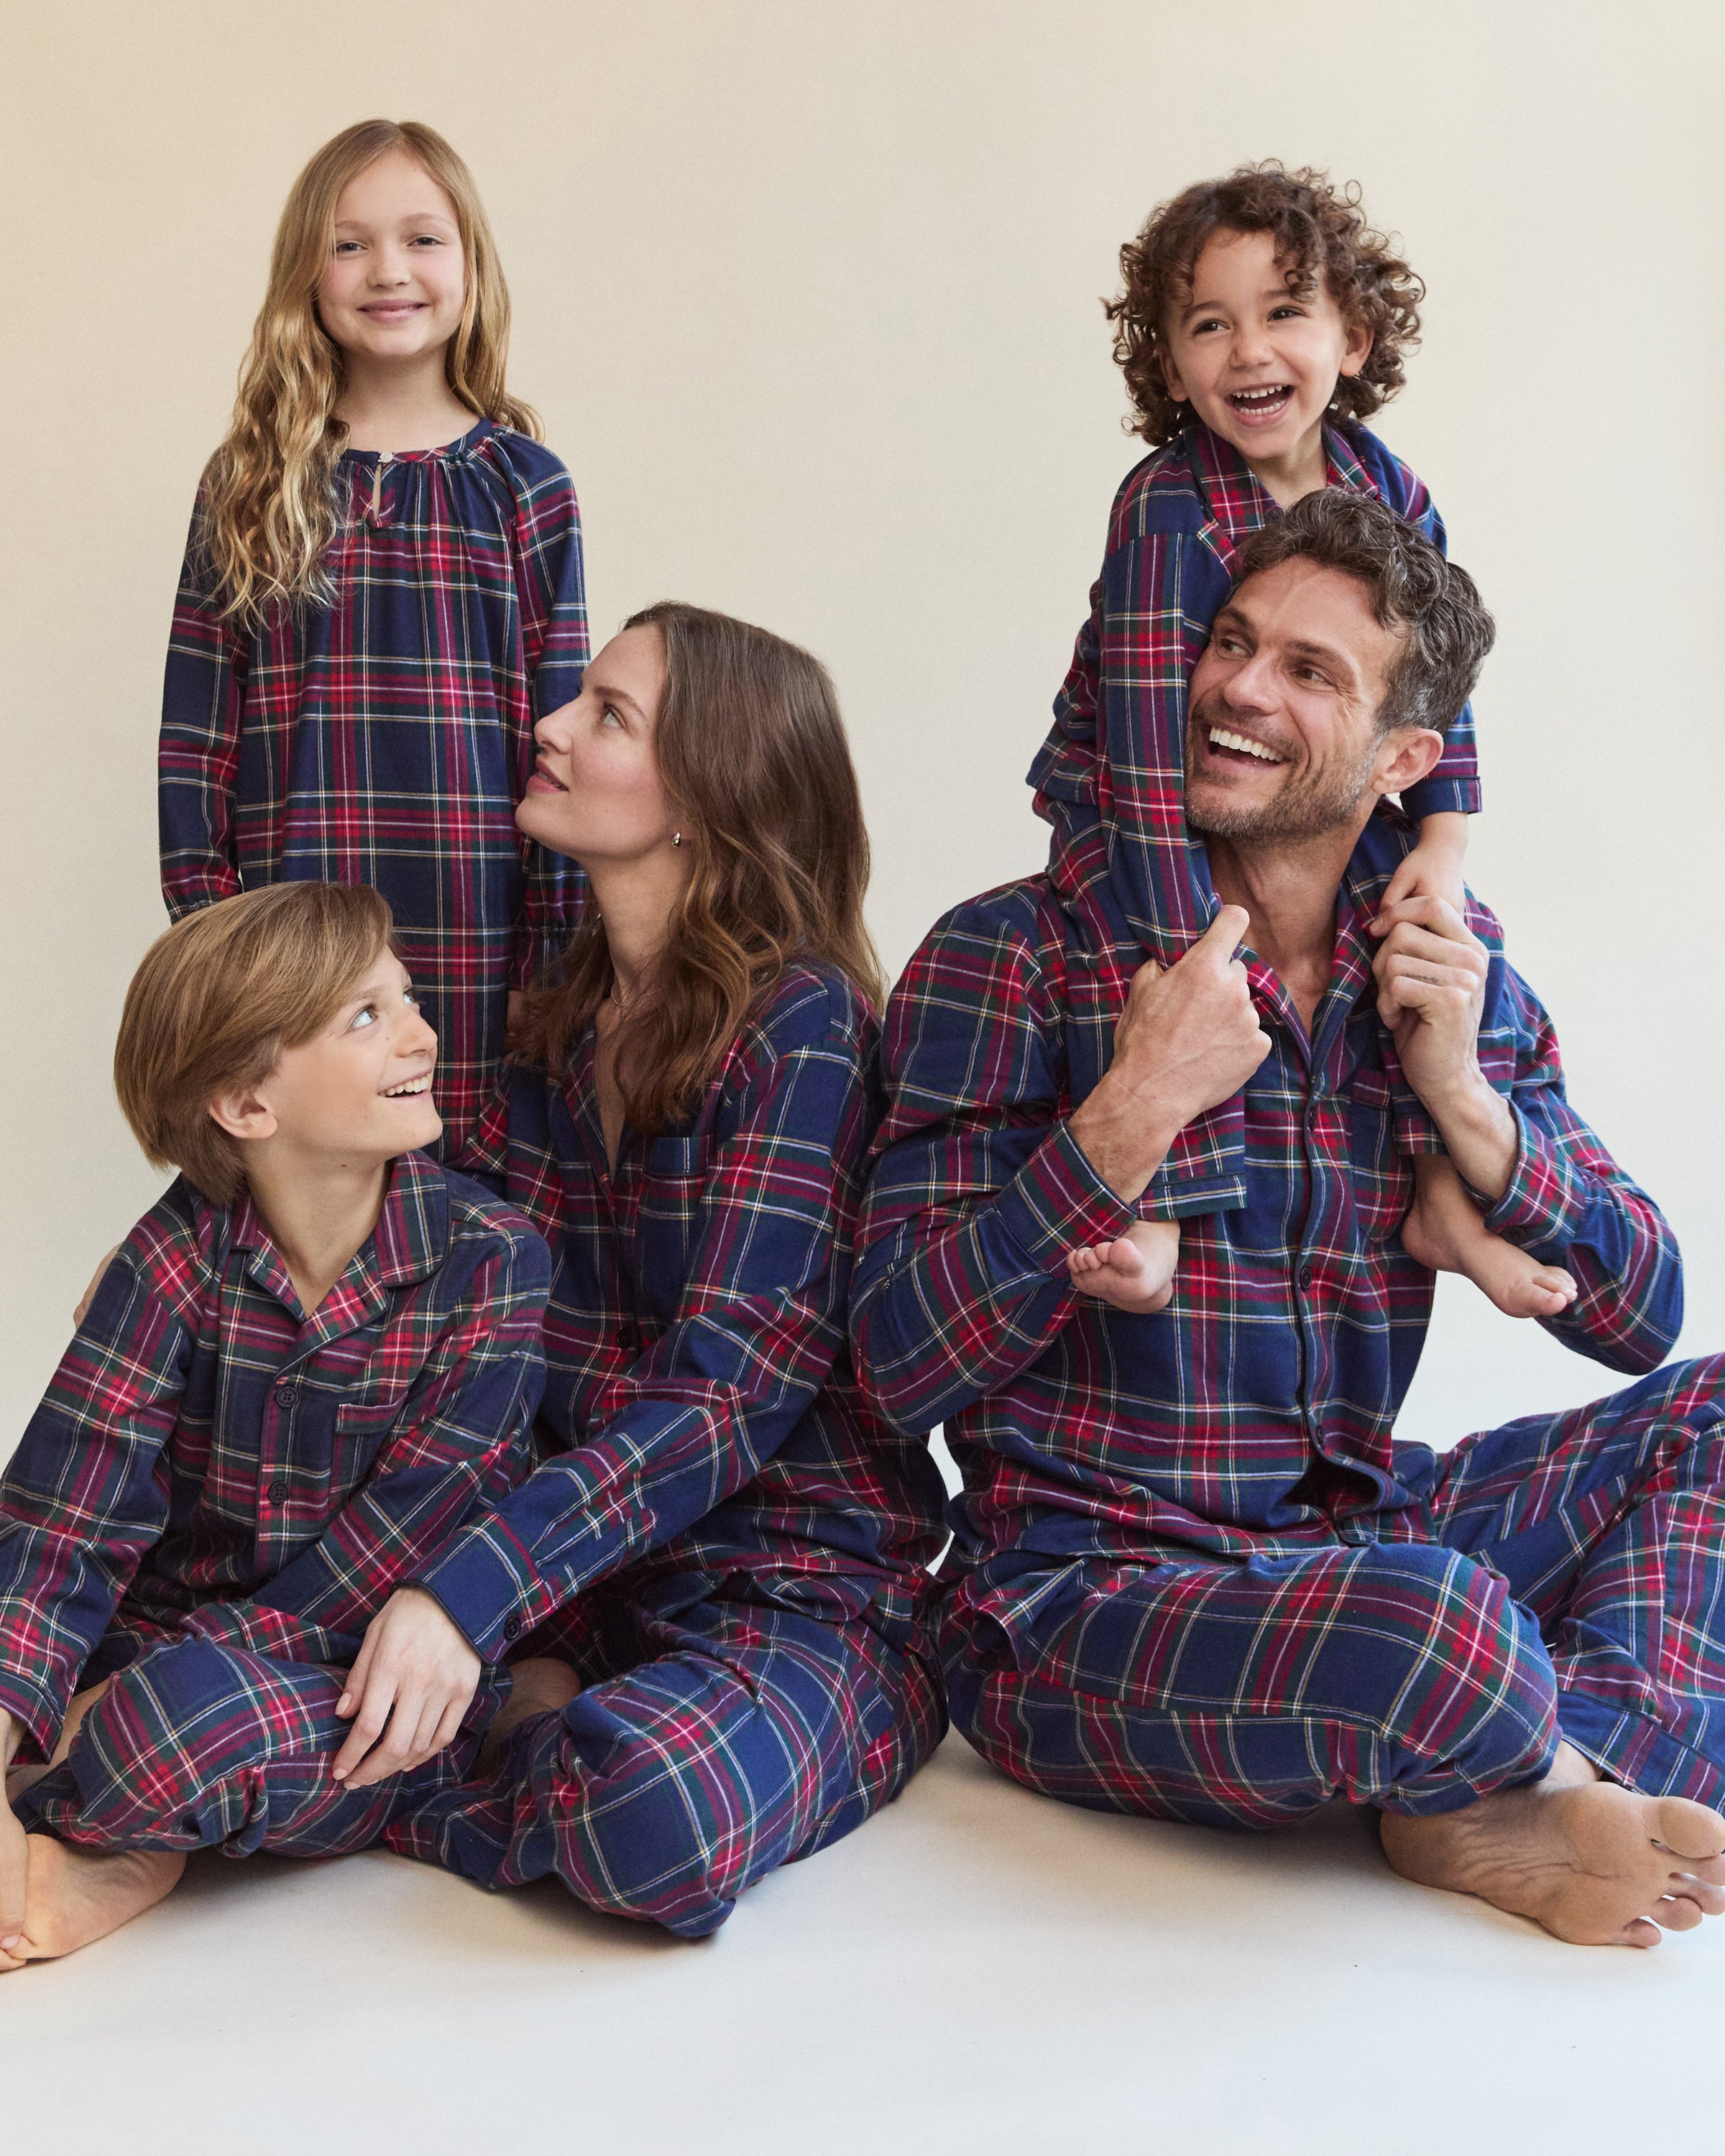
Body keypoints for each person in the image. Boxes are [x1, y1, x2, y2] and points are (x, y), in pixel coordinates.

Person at [853, 491, 1725, 1949]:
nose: (1242, 689)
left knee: (1704, 1426)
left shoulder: (1441, 968)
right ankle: (1524, 1764)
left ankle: (1523, 1778)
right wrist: (1127, 1112)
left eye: (1310, 671)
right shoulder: (1012, 953)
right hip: (1078, 1595)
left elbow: (1642, 1313)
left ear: (1403, 762)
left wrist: (1467, 1097)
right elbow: (888, 1369)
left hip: (1351, 1535)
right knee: (1439, 1624)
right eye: (1235, 644)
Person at [321, 604, 949, 1938]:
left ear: (707, 800)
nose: (548, 726)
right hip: (591, 1580)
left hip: (794, 1590)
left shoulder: (806, 1030)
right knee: (235, 1648)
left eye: (607, 714)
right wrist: (215, 1263)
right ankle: (486, 1726)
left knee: (653, 1814)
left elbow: (720, 1400)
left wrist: (466, 1597)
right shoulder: (549, 1023)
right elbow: (452, 1300)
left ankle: (406, 1776)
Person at [1033, 164, 1558, 1322]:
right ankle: (1161, 1199)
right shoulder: (1169, 506)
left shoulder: (1388, 487)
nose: (1248, 351)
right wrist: (1190, 932)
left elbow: (1435, 684)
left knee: (1416, 950)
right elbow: (1136, 740)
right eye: (1208, 326)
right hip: (1130, 801)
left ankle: (1440, 1190)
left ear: (1354, 337)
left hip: (1299, 803)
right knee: (1169, 974)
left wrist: (1447, 844)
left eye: (1283, 313)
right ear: (1170, 366)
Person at [0, 884, 551, 1967]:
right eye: (366, 1015)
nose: (421, 1033)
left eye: (407, 996)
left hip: (354, 1675)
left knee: (178, 1724)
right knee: (76, 1669)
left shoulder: (492, 1258)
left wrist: (87, 1713)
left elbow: (384, 1557)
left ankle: (114, 1817)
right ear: (247, 1105)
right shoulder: (171, 1260)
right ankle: (111, 1815)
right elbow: (62, 1516)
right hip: (162, 1638)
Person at [159, 118, 588, 1155]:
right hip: (291, 927)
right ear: (307, 273)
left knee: (460, 1208)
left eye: (421, 239)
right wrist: (214, 935)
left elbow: (559, 737)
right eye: (350, 244)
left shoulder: (527, 487)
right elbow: (195, 735)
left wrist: (556, 960)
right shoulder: (252, 482)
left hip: (477, 933)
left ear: (471, 267)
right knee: (306, 1191)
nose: (387, 270)